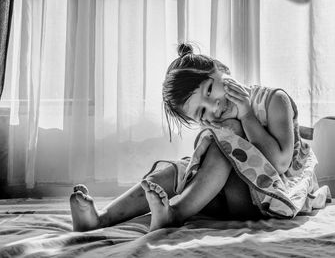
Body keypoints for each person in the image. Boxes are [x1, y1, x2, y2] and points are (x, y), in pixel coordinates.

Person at [70, 43, 299, 232]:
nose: (213, 108)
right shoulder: (216, 121)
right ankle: (101, 219)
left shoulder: (274, 101)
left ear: (221, 69)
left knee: (227, 137)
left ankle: (175, 214)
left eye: (209, 90)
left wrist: (247, 115)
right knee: (177, 171)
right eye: (201, 112)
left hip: (266, 198)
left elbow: (280, 163)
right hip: (222, 199)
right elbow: (206, 170)